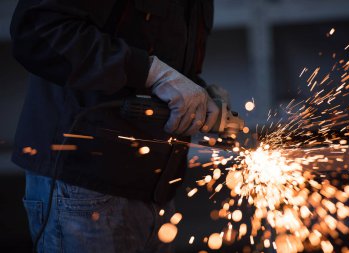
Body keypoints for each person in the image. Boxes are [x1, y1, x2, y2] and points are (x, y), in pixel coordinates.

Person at [10, 0, 226, 252]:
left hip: (155, 191)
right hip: (85, 191)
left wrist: (198, 92)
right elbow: (38, 31)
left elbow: (165, 56)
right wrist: (151, 72)